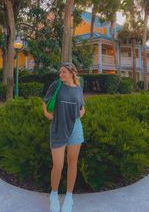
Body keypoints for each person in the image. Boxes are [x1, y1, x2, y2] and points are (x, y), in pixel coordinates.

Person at [42, 62, 85, 212]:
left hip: (75, 128)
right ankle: (53, 194)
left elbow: (82, 107)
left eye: (64, 72)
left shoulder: (78, 89)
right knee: (58, 165)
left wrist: (81, 113)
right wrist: (47, 113)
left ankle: (69, 196)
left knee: (72, 163)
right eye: (60, 72)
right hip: (58, 128)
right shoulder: (56, 85)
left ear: (72, 73)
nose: (61, 75)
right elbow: (45, 101)